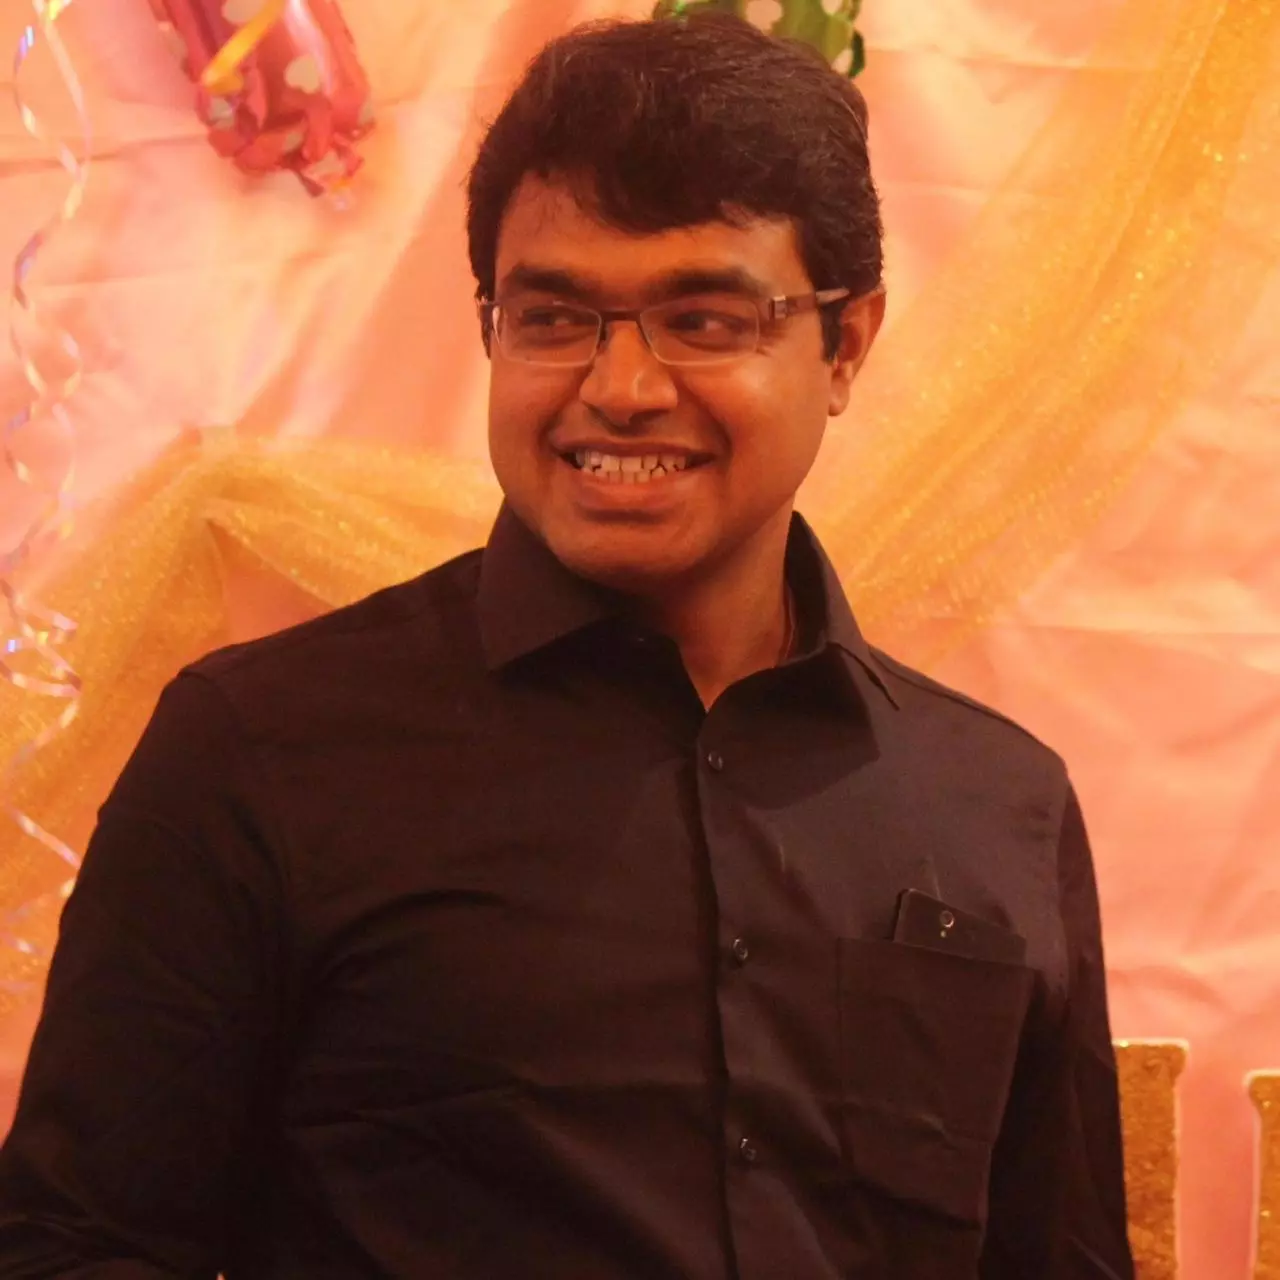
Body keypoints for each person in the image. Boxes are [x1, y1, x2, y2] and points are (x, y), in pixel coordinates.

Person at [0, 13, 1134, 1279]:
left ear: (845, 344)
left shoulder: (997, 807)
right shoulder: (259, 753)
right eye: (552, 316)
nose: (621, 387)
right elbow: (74, 1247)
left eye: (702, 318)